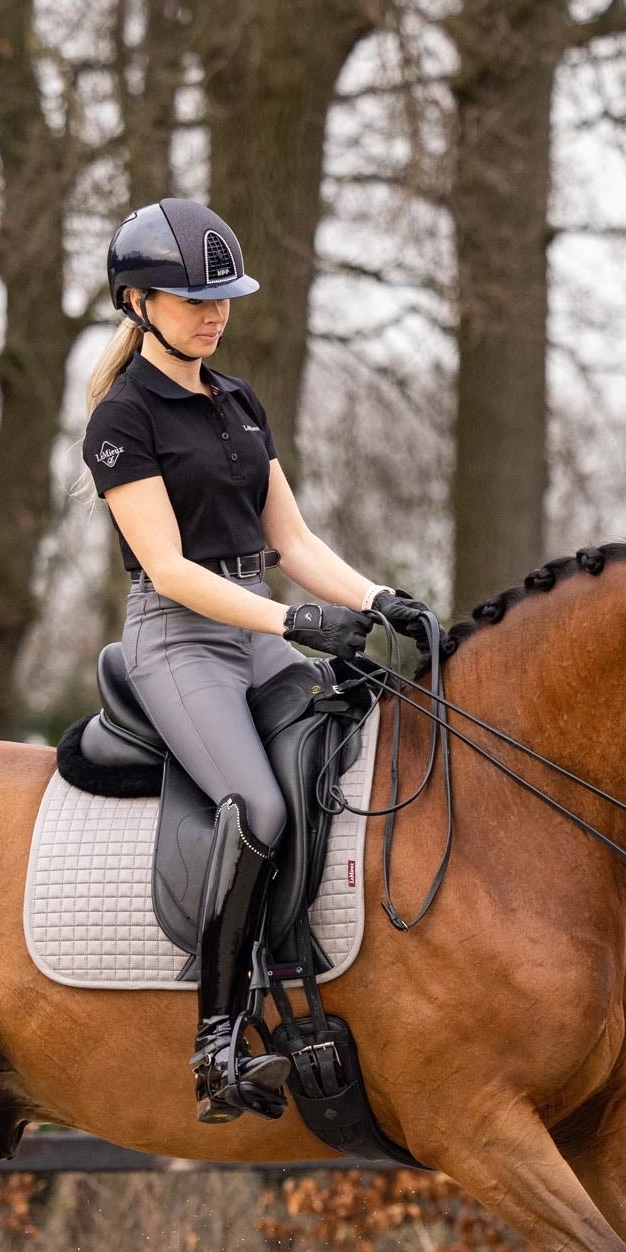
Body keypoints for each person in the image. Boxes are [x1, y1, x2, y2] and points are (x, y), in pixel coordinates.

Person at [82, 195, 435, 1124]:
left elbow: (295, 540)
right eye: (191, 298)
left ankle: (306, 976)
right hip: (179, 638)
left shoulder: (237, 402)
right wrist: (291, 624)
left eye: (222, 297)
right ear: (136, 303)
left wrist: (377, 600)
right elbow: (168, 567)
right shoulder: (122, 420)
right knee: (263, 806)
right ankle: (217, 1048)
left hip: (258, 626)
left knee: (339, 761)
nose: (213, 313)